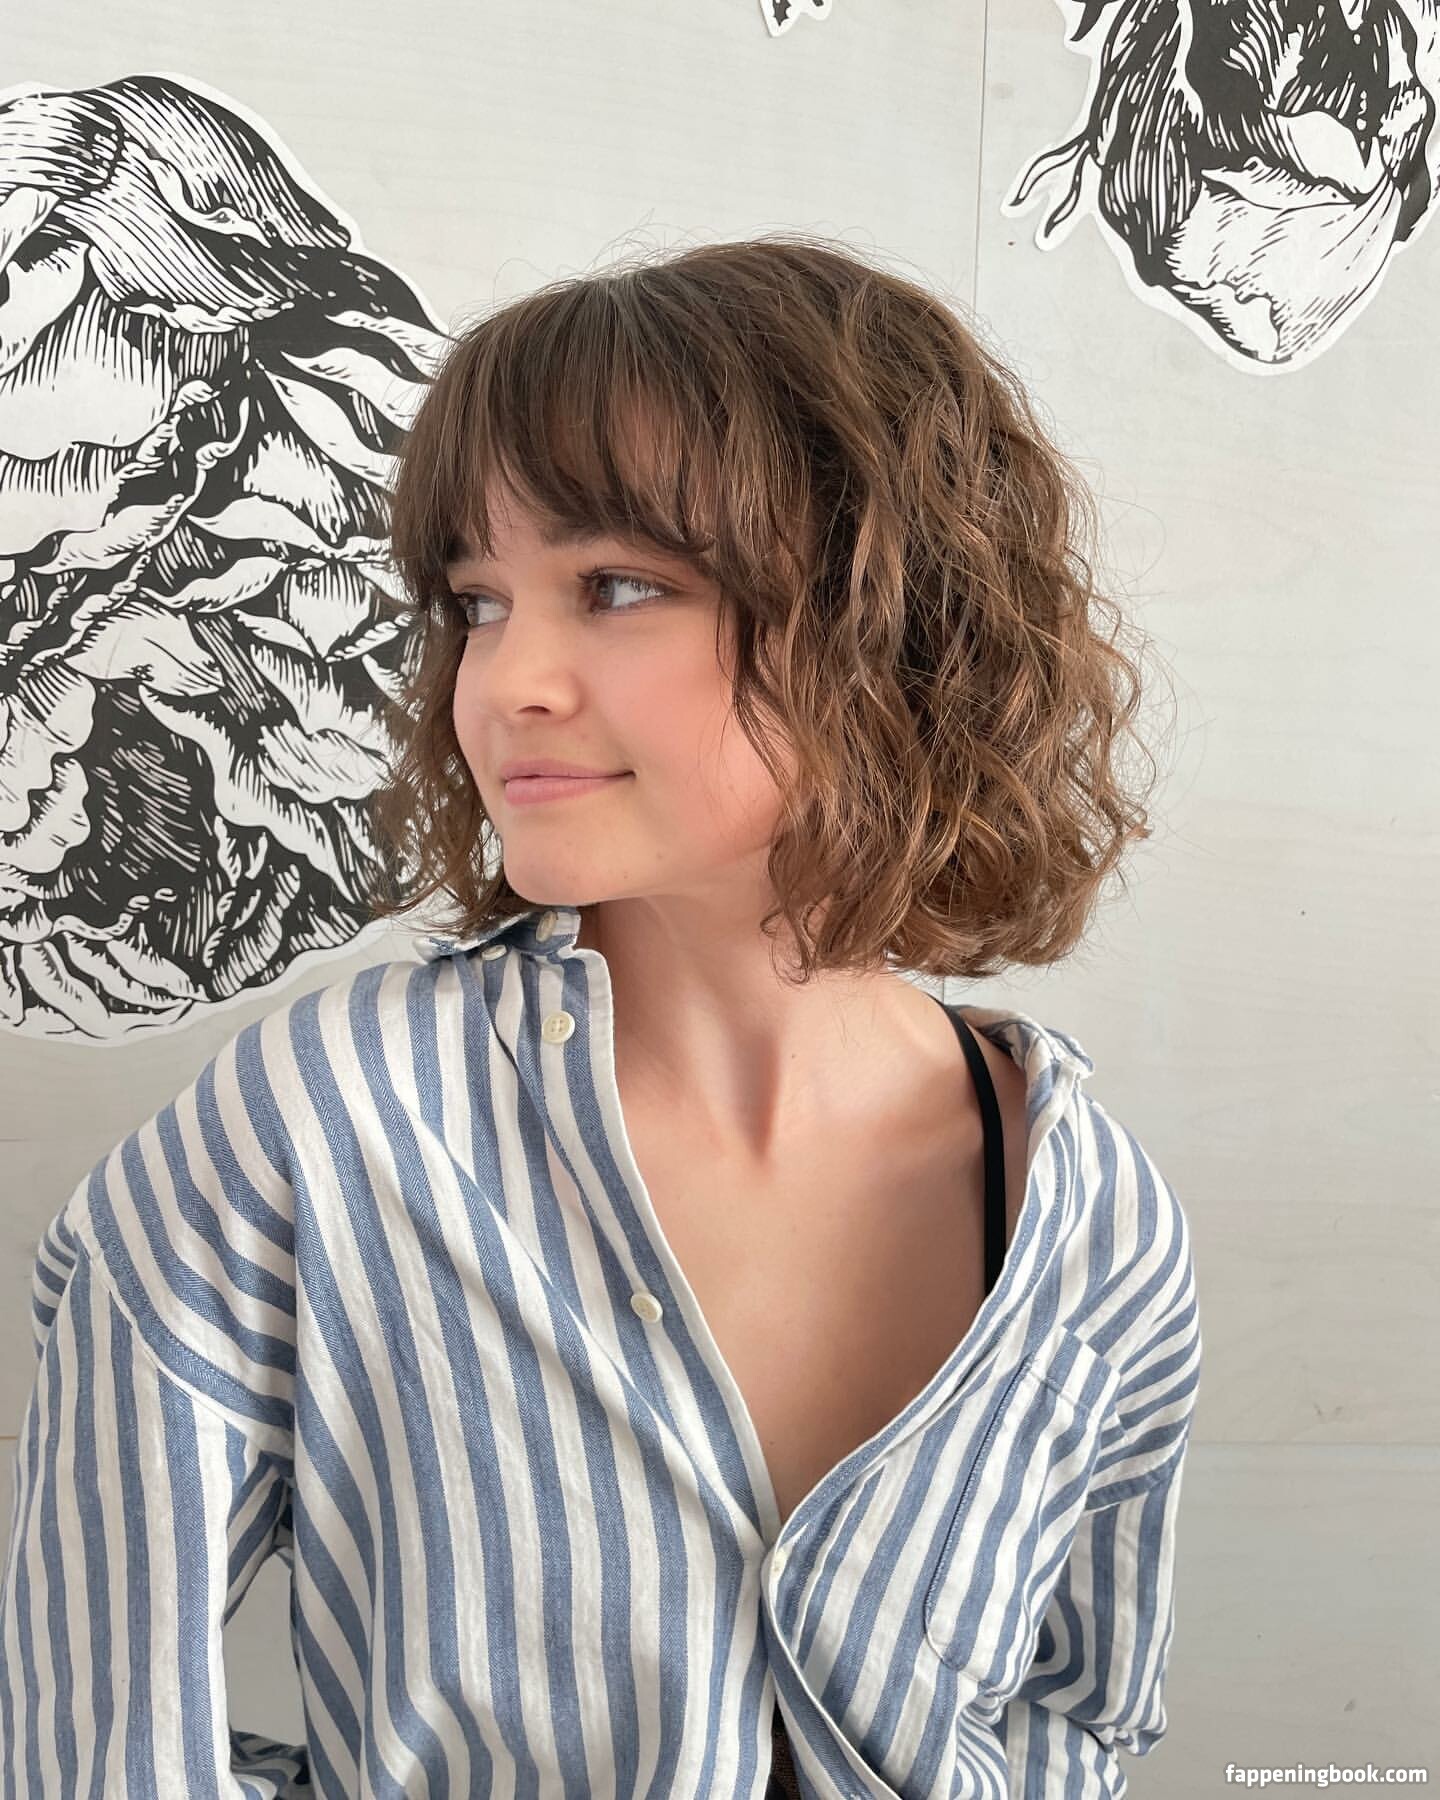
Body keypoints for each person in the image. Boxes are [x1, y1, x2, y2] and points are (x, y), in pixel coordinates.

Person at [0, 234, 1201, 1798]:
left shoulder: (1096, 1226)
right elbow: (94, 1741)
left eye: (618, 588)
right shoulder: (316, 1134)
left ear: (888, 614)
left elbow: (1080, 1722)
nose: (505, 684)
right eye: (476, 602)